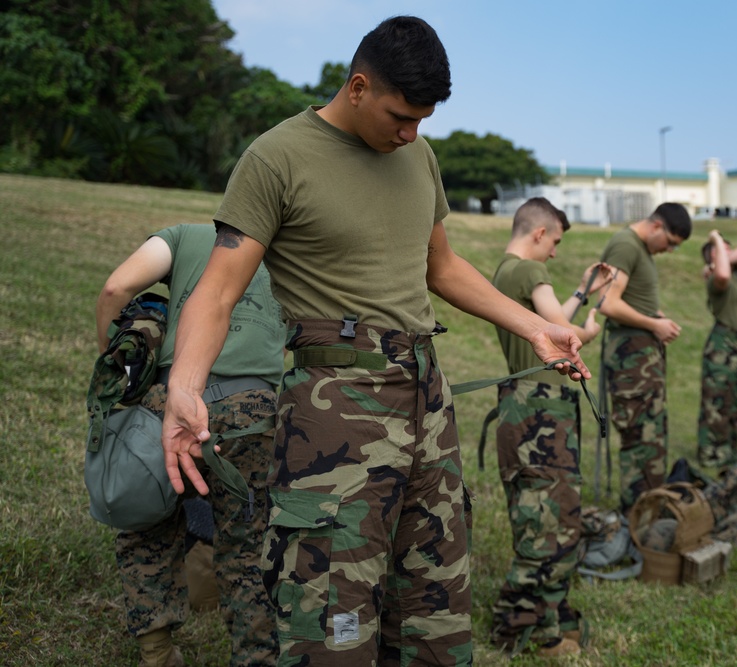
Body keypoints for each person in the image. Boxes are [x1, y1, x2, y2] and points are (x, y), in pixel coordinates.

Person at [159, 16, 589, 666]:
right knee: (331, 623)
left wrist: (536, 325)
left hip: (427, 403)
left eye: (423, 119)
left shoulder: (417, 155)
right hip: (334, 419)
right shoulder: (277, 157)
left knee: (435, 615)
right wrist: (185, 387)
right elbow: (217, 290)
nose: (411, 133)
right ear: (358, 87)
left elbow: (439, 266)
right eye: (400, 115)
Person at [96, 223, 284, 666]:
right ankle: (256, 658)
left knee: (147, 528)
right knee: (249, 547)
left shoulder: (184, 236)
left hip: (169, 401)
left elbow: (116, 287)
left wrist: (108, 357)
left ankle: (157, 654)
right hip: (253, 410)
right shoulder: (289, 249)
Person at [488, 198, 610, 657]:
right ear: (539, 233)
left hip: (524, 411)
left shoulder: (506, 272)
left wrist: (580, 292)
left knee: (548, 516)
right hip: (541, 413)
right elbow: (562, 330)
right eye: (556, 240)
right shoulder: (530, 273)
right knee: (548, 524)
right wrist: (593, 323)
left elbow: (549, 320)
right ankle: (517, 627)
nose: (556, 251)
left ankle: (550, 618)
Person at [597, 202, 691, 512]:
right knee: (640, 440)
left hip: (641, 359)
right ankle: (636, 515)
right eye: (671, 243)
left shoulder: (641, 249)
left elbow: (632, 298)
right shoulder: (626, 245)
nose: (669, 250)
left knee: (652, 440)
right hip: (630, 359)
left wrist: (657, 315)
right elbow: (608, 303)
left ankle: (648, 510)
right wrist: (654, 324)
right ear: (656, 227)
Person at [697, 230, 737, 471]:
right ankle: (712, 456)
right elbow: (721, 272)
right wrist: (713, 240)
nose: (727, 252)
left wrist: (720, 252)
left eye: (728, 248)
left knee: (734, 401)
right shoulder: (717, 279)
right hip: (725, 345)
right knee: (717, 403)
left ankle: (729, 452)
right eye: (720, 250)